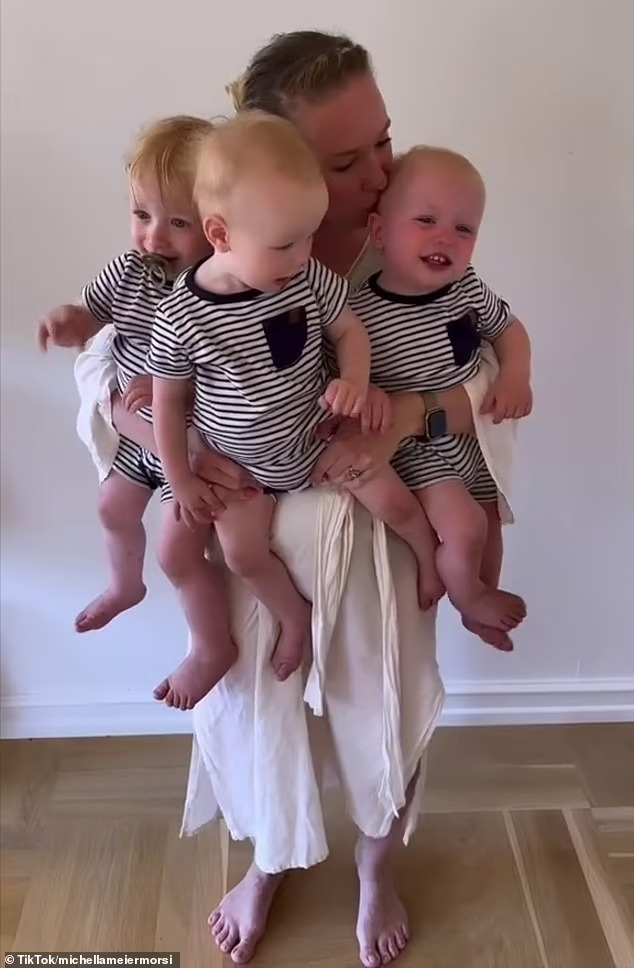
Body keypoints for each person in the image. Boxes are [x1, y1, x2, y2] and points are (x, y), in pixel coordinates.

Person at [74, 30, 516, 968]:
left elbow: (486, 367)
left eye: (383, 141)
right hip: (257, 530)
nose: (378, 173)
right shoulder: (207, 250)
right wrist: (148, 425)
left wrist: (410, 415)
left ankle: (376, 869)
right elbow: (113, 361)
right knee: (258, 706)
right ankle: (269, 857)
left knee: (383, 701)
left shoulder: (420, 235)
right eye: (345, 161)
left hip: (379, 536)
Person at [147, 111, 376, 685]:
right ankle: (293, 616)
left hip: (313, 442)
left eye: (309, 238)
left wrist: (354, 380)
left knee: (394, 498)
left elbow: (351, 331)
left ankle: (447, 573)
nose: (302, 256)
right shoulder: (181, 316)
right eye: (284, 244)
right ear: (220, 235)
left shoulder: (306, 277)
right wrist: (181, 478)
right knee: (241, 554)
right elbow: (168, 405)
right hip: (240, 467)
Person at [38, 116, 238, 711]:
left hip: (192, 442)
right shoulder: (129, 271)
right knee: (111, 508)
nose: (153, 236)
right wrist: (70, 321)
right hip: (137, 435)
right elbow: (93, 316)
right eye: (141, 214)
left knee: (179, 551)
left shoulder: (222, 287)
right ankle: (124, 585)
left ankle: (212, 648)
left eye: (177, 222)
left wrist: (172, 380)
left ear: (217, 223)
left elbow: (233, 369)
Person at [350, 145, 532, 650]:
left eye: (463, 228)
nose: (444, 238)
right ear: (380, 232)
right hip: (413, 451)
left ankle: (480, 598)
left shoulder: (466, 288)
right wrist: (367, 393)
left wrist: (515, 375)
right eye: (426, 220)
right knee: (466, 526)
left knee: (489, 521)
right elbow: (341, 371)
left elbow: (509, 330)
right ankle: (467, 596)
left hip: (471, 440)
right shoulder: (358, 311)